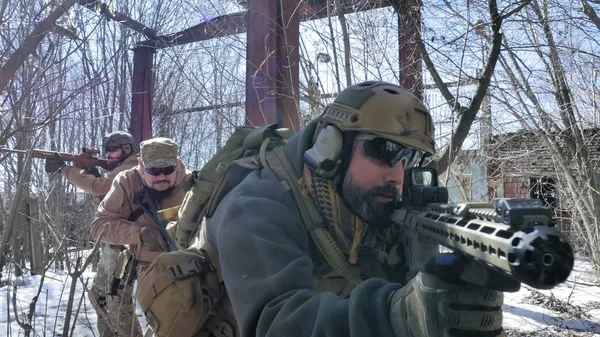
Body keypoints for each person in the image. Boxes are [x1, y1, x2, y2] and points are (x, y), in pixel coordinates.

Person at [205, 81, 512, 337]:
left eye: (410, 159)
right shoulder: (257, 205)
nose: (397, 175)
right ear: (331, 146)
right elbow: (275, 325)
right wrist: (399, 316)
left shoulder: (370, 202)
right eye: (385, 151)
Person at [90, 137, 190, 336]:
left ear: (177, 164)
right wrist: (139, 233)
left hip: (179, 263)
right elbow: (99, 226)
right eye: (154, 170)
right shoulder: (126, 181)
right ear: (141, 166)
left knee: (169, 321)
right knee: (110, 303)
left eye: (168, 170)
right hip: (132, 254)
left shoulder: (193, 184)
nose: (162, 176)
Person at [45, 131, 141, 337]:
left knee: (117, 300)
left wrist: (65, 170)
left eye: (113, 150)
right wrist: (88, 167)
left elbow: (99, 187)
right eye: (106, 150)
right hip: (116, 243)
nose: (109, 155)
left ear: (127, 149)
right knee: (99, 296)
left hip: (129, 244)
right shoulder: (121, 169)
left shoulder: (132, 167)